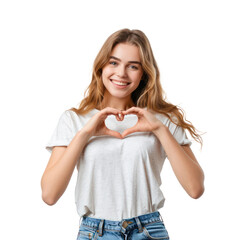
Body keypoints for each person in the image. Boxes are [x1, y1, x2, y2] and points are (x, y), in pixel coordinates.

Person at [41, 28, 204, 240]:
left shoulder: (163, 119)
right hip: (95, 232)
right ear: (101, 66)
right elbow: (49, 195)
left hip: (148, 230)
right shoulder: (74, 120)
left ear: (144, 72)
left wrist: (159, 130)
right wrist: (85, 135)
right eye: (114, 62)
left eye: (133, 66)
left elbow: (195, 188)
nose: (121, 73)